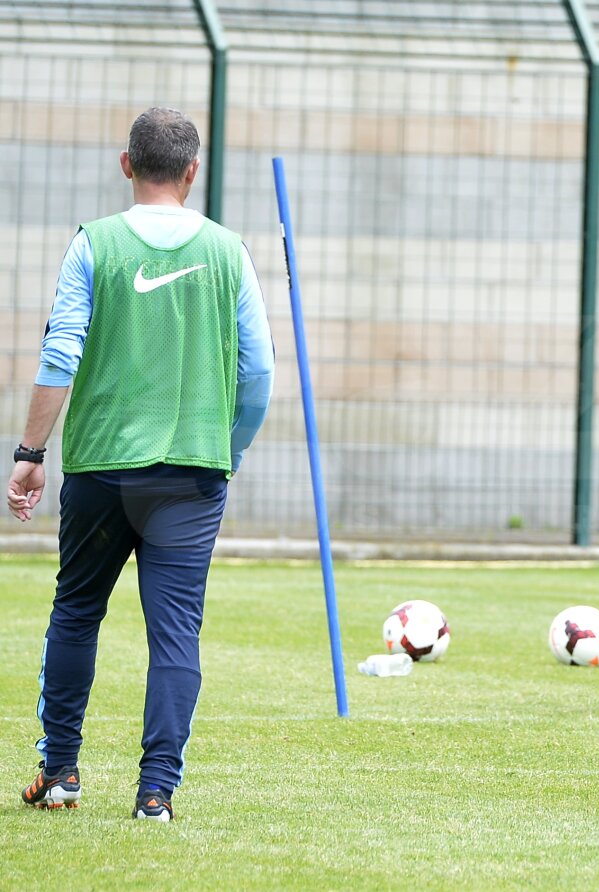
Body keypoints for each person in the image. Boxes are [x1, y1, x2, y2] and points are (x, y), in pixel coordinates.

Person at [6, 107, 274, 822]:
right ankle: (156, 792)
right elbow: (259, 375)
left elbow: (60, 352)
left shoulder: (94, 244)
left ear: (126, 165)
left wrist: (31, 454)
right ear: (193, 172)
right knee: (176, 633)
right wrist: (230, 449)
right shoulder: (229, 251)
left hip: (100, 470)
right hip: (192, 473)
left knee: (76, 612)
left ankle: (59, 770)